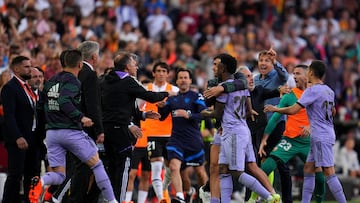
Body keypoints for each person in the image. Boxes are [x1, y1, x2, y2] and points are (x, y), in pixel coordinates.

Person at [28, 49, 118, 203]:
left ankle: (42, 182)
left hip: (52, 134)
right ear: (80, 64)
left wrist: (44, 130)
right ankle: (113, 201)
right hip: (70, 132)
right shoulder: (73, 81)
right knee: (97, 166)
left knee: (60, 175)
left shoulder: (50, 81)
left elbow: (39, 107)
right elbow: (64, 100)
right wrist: (81, 117)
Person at [264, 60, 347, 203]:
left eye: (307, 71)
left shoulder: (311, 90)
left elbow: (294, 110)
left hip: (320, 136)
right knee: (309, 168)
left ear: (311, 73)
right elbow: (332, 111)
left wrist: (275, 109)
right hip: (323, 133)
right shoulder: (328, 90)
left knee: (329, 173)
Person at [201, 54, 280, 203]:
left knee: (236, 172)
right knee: (223, 168)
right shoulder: (239, 84)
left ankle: (268, 197)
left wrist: (204, 113)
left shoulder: (223, 89)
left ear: (223, 68)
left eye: (216, 65)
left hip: (233, 133)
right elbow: (247, 99)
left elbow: (217, 114)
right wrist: (249, 111)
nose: (214, 68)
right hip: (241, 130)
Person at [100, 52, 172, 202]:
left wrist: (144, 115)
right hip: (121, 132)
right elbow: (150, 97)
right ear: (127, 67)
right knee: (123, 169)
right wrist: (167, 93)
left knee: (110, 168)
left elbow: (119, 107)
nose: (137, 67)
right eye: (134, 64)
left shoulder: (104, 81)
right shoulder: (128, 81)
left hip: (106, 131)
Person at [248, 64, 326, 203]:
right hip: (290, 140)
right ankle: (253, 198)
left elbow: (326, 115)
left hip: (309, 142)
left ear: (308, 75)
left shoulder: (317, 93)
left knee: (320, 178)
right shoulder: (290, 96)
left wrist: (310, 126)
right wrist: (264, 139)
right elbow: (275, 118)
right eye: (293, 73)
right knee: (266, 167)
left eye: (298, 73)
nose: (294, 76)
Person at [56, 40, 105, 203]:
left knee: (74, 168)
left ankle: (60, 198)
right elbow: (93, 105)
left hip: (63, 127)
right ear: (94, 56)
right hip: (83, 129)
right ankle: (64, 199)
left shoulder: (65, 74)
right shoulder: (89, 74)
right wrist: (99, 130)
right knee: (82, 169)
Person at [158, 68, 208, 203]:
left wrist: (189, 115)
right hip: (176, 140)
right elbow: (162, 117)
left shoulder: (196, 96)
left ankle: (206, 196)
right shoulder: (172, 99)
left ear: (190, 80)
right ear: (177, 81)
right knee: (175, 167)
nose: (183, 80)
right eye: (180, 78)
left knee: (200, 173)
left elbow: (205, 114)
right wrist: (160, 106)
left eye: (186, 77)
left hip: (193, 141)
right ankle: (180, 196)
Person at [1, 56, 41, 203]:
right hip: (18, 140)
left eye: (30, 66)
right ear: (16, 69)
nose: (30, 69)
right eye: (26, 67)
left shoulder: (28, 88)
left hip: (32, 138)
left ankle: (28, 200)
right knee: (15, 175)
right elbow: (9, 116)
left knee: (31, 175)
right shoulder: (10, 88)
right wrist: (17, 136)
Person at [140, 61, 179, 203]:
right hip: (152, 134)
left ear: (168, 74)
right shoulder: (146, 89)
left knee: (171, 168)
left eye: (164, 71)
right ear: (153, 73)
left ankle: (166, 193)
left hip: (170, 134)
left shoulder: (174, 90)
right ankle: (162, 198)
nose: (161, 73)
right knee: (155, 167)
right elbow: (139, 108)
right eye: (159, 71)